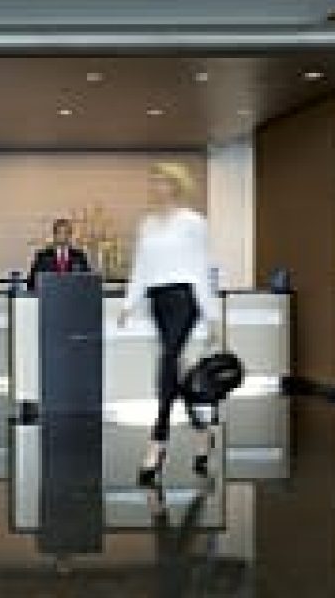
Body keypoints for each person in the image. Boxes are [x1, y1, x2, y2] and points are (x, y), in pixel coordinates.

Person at [117, 162, 216, 486]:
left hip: (185, 299)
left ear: (176, 185)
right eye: (154, 181)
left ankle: (157, 442)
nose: (157, 186)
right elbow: (141, 268)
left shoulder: (193, 223)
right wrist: (128, 304)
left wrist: (211, 315)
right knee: (173, 370)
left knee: (167, 360)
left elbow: (202, 268)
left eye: (163, 181)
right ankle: (202, 432)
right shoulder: (147, 225)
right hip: (158, 301)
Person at [27, 218, 91, 290]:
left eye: (67, 232)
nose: (63, 236)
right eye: (60, 232)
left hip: (74, 295)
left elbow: (88, 282)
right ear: (54, 235)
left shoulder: (80, 257)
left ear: (70, 235)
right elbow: (32, 283)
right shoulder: (42, 256)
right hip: (49, 295)